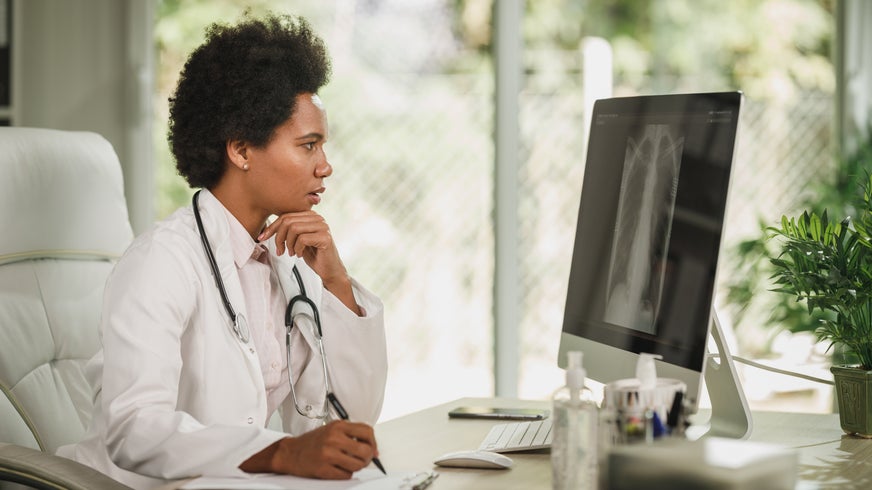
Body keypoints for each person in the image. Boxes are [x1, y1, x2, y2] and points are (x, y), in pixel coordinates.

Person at [58, 13, 388, 489]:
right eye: (308, 146)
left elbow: (345, 426)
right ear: (240, 150)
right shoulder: (163, 261)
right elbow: (132, 430)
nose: (326, 167)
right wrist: (282, 452)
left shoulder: (288, 262)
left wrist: (337, 285)